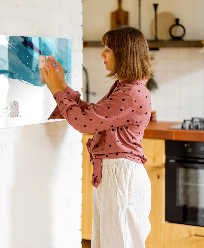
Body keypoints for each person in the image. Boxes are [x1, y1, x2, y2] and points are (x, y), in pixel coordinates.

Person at [41, 26, 153, 248]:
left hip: (121, 177)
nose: (102, 54)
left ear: (124, 54)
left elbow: (84, 123)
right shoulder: (126, 88)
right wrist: (62, 85)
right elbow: (92, 115)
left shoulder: (130, 93)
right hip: (116, 175)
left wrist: (56, 90)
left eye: (108, 49)